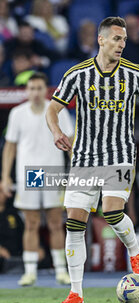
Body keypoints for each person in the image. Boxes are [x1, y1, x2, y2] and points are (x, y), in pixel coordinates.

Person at [46, 16, 139, 303]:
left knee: (110, 213)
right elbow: (53, 109)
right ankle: (76, 293)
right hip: (83, 159)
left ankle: (135, 251)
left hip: (119, 155)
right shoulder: (77, 74)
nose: (122, 44)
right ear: (101, 40)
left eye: (124, 40)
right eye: (117, 39)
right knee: (74, 223)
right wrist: (57, 132)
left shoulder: (135, 73)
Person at [1, 72, 74, 286]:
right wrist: (5, 176)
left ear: (46, 90)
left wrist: (77, 170)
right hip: (29, 174)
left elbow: (70, 142)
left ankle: (61, 270)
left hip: (53, 172)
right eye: (31, 88)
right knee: (31, 224)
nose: (34, 92)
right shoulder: (17, 113)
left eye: (39, 88)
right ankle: (30, 271)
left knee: (55, 223)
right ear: (26, 90)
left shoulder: (57, 111)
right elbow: (10, 147)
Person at [0, 182, 23, 272]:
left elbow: (23, 232)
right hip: (2, 255)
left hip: (15, 254)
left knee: (43, 257)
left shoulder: (13, 213)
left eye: (3, 191)